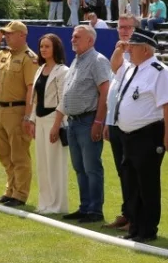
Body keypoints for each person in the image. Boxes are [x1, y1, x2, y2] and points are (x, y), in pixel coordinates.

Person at [114, 28, 168, 242]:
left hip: (148, 134)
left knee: (147, 183)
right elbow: (115, 67)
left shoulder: (158, 70)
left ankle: (148, 229)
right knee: (131, 183)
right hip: (129, 136)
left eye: (132, 46)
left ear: (144, 49)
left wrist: (167, 135)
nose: (128, 49)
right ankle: (135, 227)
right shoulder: (133, 68)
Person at [54, 24, 112, 223]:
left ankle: (95, 210)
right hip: (74, 121)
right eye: (72, 36)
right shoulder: (77, 61)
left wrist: (98, 120)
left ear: (90, 40)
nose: (73, 39)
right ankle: (85, 206)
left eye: (77, 37)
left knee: (91, 167)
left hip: (88, 120)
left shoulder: (98, 60)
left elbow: (105, 91)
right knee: (79, 167)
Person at [0, 21, 38, 207]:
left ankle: (20, 194)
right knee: (4, 154)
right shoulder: (4, 54)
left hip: (18, 109)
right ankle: (10, 190)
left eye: (10, 34)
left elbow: (31, 89)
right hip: (2, 109)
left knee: (19, 154)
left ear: (22, 36)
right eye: (5, 33)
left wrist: (28, 116)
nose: (6, 36)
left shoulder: (29, 58)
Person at [28, 34, 70, 214]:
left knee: (55, 164)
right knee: (42, 164)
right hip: (40, 119)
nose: (43, 49)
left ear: (56, 48)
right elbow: (36, 99)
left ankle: (57, 205)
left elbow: (63, 100)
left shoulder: (62, 71)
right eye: (41, 46)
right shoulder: (40, 69)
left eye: (47, 46)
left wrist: (57, 125)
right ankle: (44, 203)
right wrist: (31, 120)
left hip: (54, 119)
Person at [102, 15, 137, 231]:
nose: (123, 31)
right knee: (122, 172)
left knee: (132, 171)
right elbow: (112, 92)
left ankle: (135, 215)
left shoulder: (140, 58)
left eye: (127, 27)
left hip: (132, 126)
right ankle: (127, 212)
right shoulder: (120, 58)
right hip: (115, 123)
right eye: (120, 27)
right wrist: (107, 121)